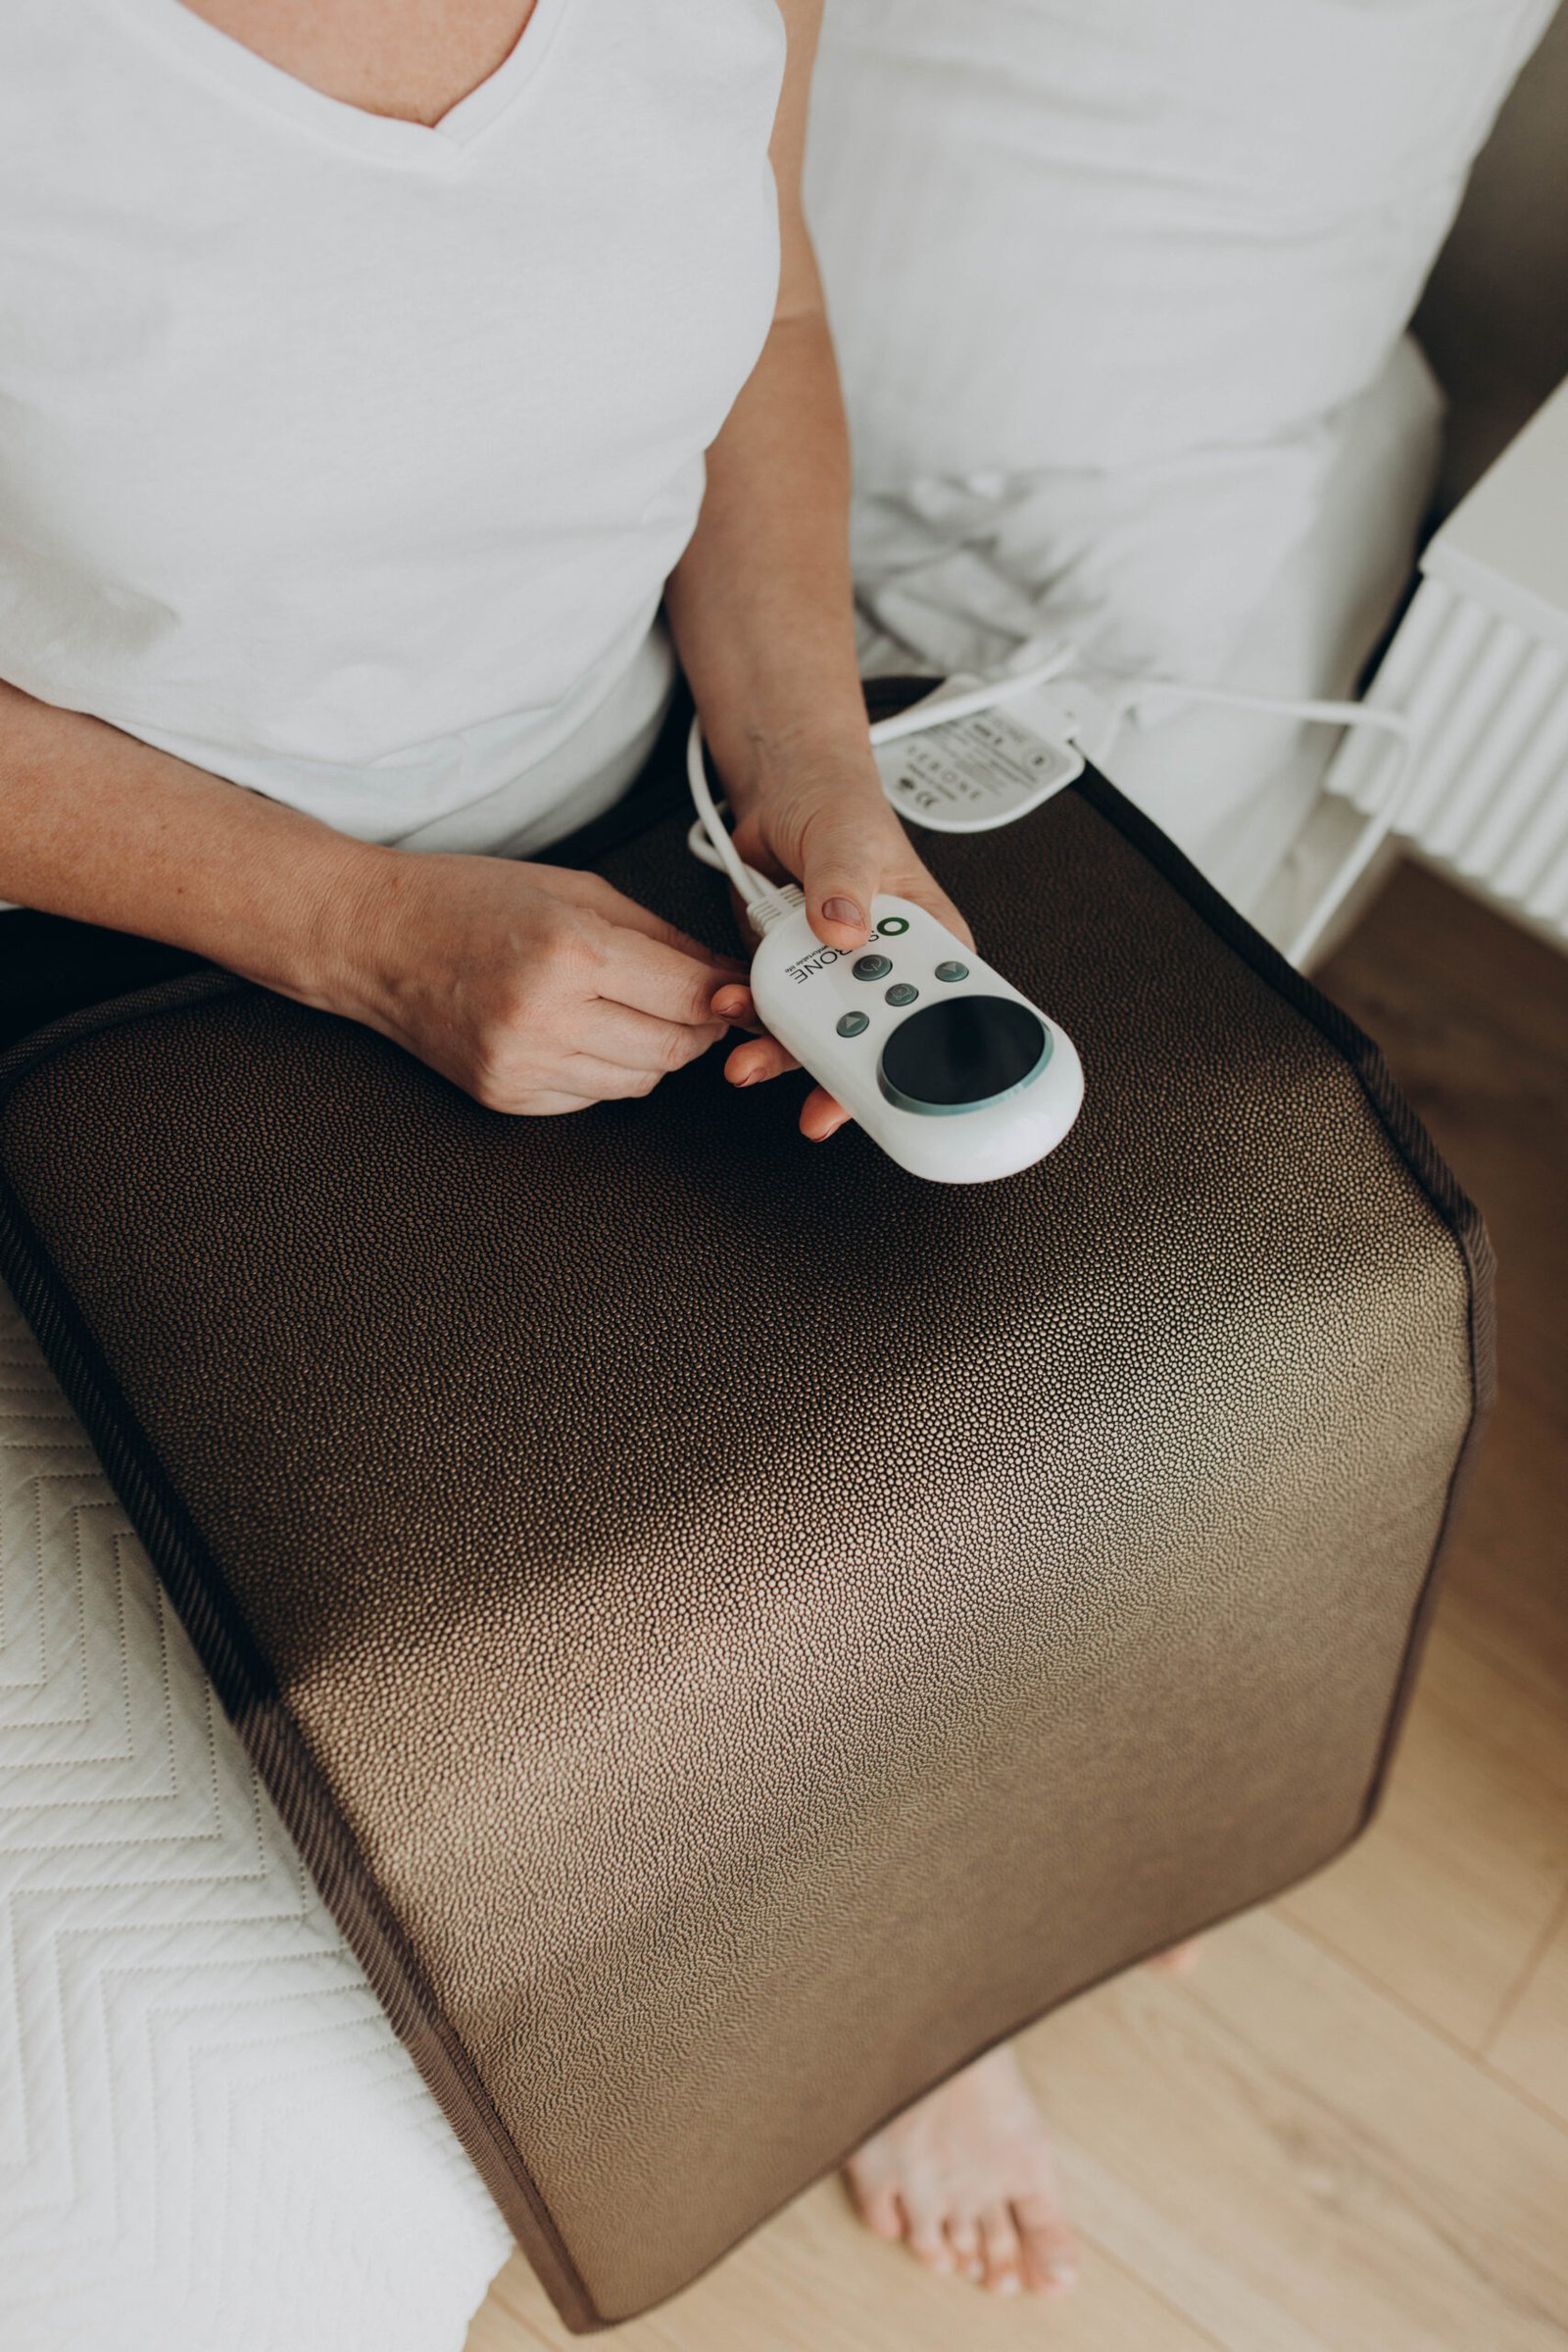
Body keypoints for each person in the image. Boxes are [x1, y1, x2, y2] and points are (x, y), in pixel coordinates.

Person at [0, 0, 1185, 2300]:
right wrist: (357, 935)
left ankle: (937, 1943)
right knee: (560, 1603)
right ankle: (845, 1973)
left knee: (1062, 1381)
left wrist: (808, 771)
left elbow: (767, 313)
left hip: (646, 798)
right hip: (144, 932)